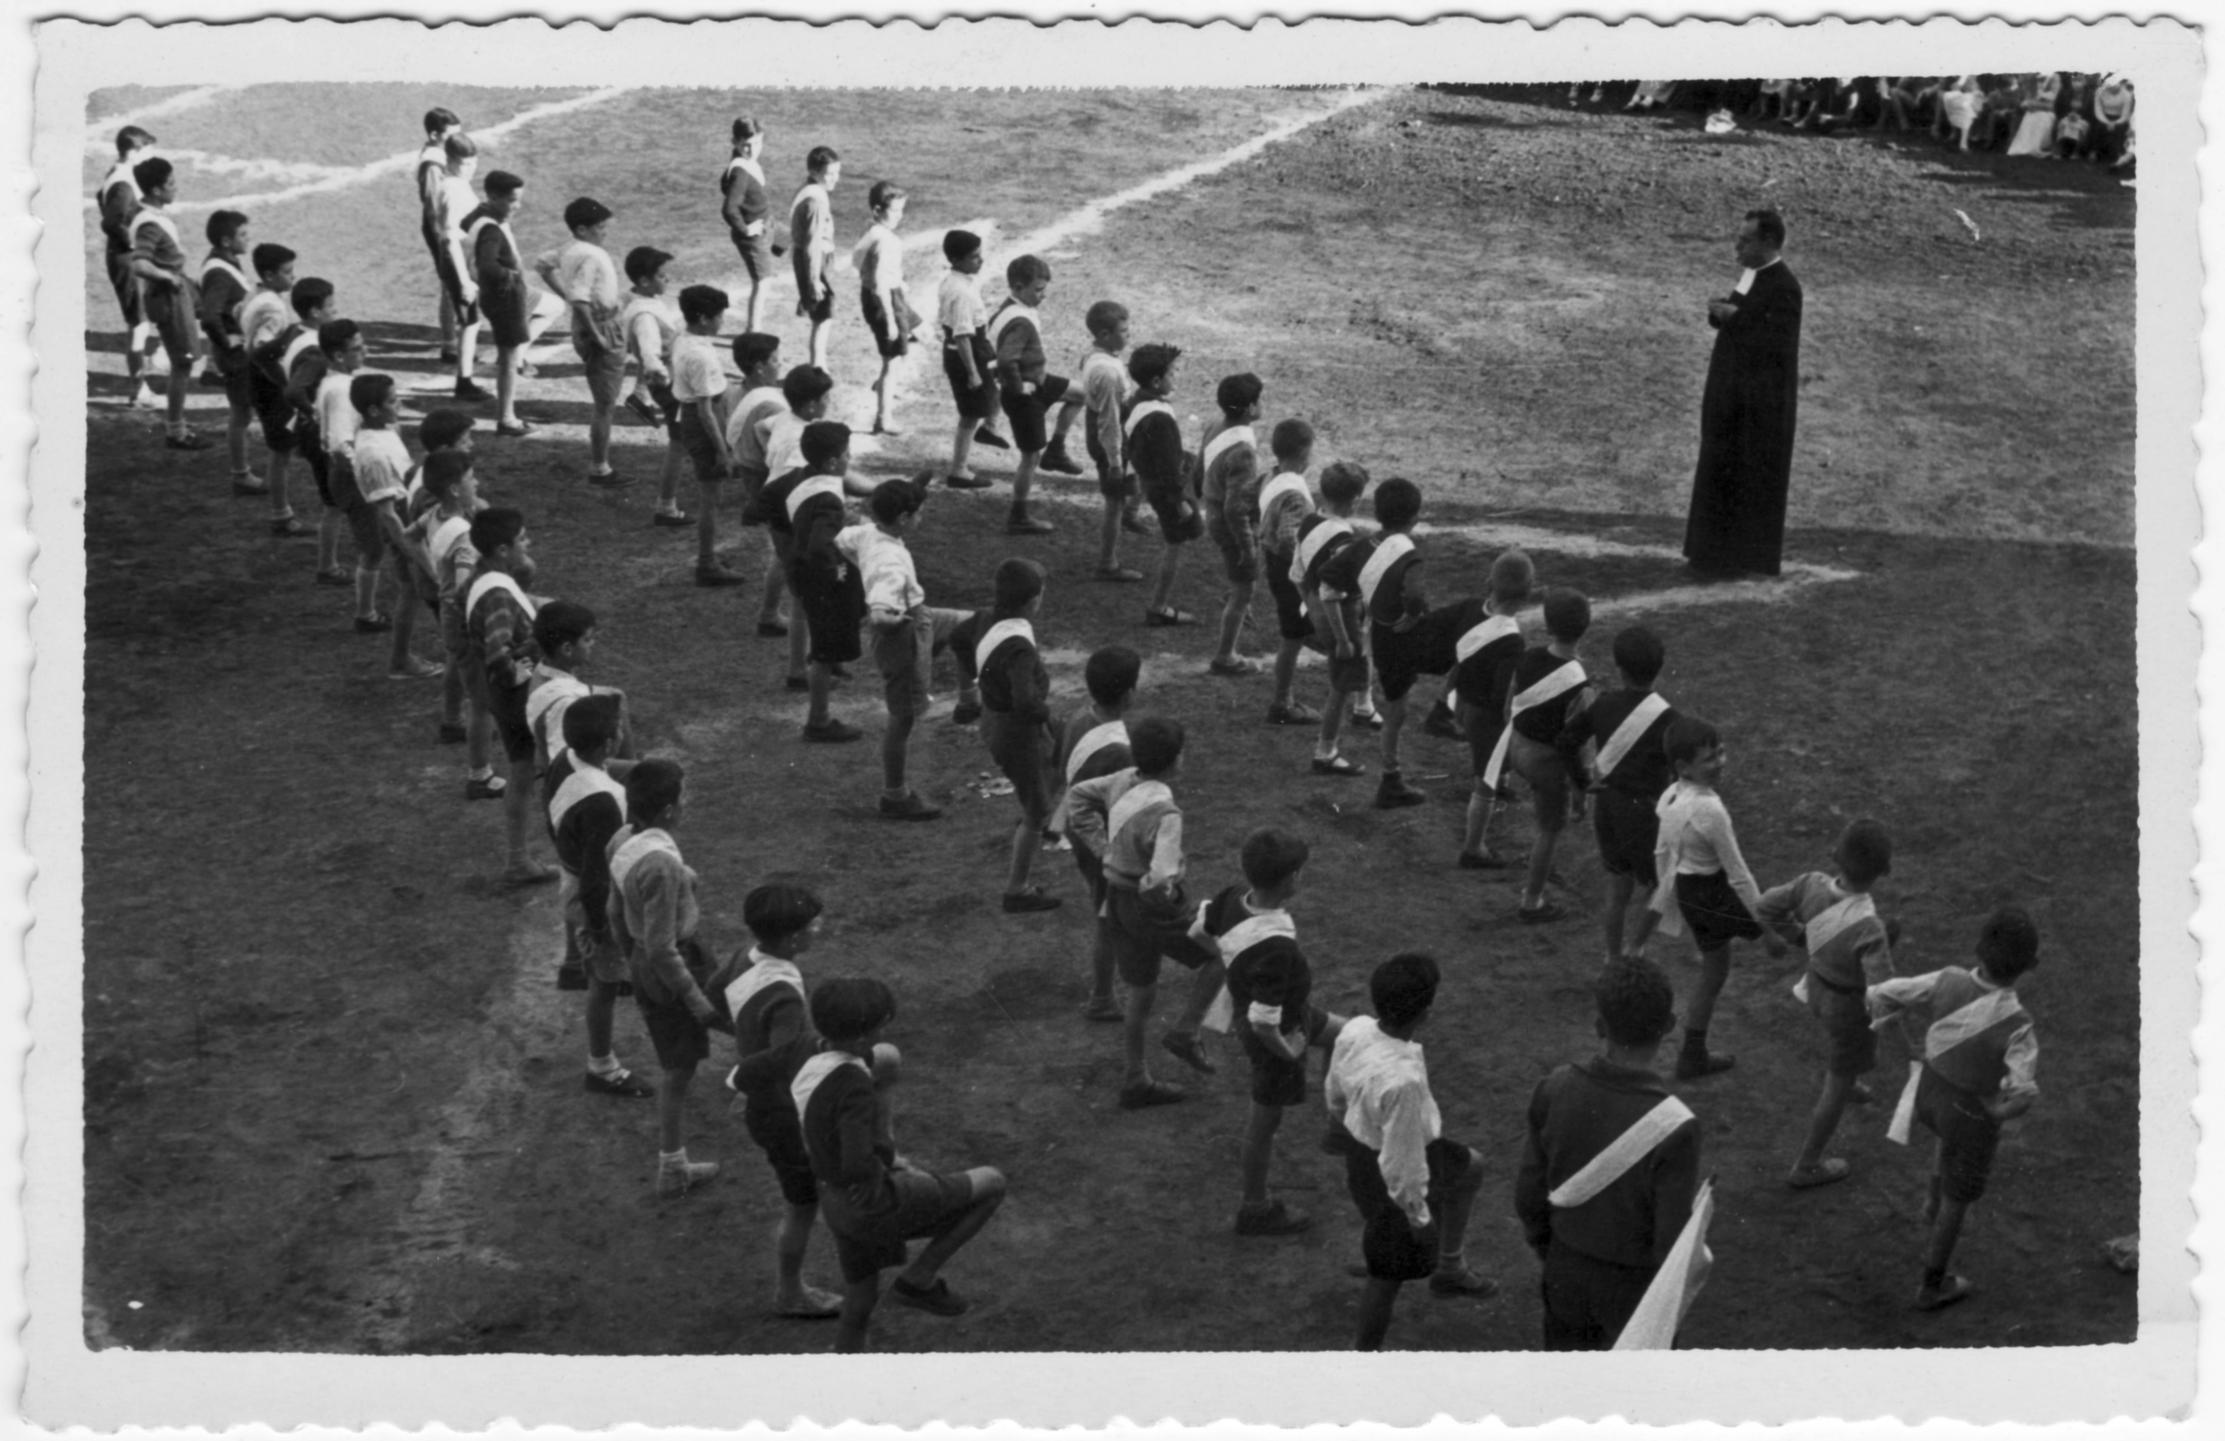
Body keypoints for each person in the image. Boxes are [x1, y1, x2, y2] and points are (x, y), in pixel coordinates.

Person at [794, 977, 1007, 1352]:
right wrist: (881, 1169)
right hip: (876, 1200)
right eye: (879, 1027)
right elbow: (858, 1156)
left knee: (861, 1291)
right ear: (862, 1036)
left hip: (835, 1202)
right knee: (992, 1182)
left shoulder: (813, 1065)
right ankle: (919, 1280)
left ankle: (845, 1359)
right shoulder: (854, 1084)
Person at [722, 884, 901, 1321]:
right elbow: (791, 1064)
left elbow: (714, 993)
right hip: (782, 1114)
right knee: (801, 1208)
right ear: (792, 939)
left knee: (887, 1060)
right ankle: (789, 1293)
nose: (818, 927)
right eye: (811, 924)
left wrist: (743, 1070)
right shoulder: (784, 995)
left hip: (758, 1091)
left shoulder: (743, 958)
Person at [1514, 955, 1704, 1350]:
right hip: (1630, 1287)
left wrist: (1552, 1249)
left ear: (1600, 1026)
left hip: (1565, 1264)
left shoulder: (1554, 1087)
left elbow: (1528, 1193)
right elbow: (1669, 1242)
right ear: (1668, 1025)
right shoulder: (1677, 1128)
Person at [1867, 907, 2041, 1312]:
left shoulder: (1946, 979)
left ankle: (1930, 1201)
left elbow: (1884, 994)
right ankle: (1933, 1283)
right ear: (2030, 965)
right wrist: (1997, 1113)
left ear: (1978, 949)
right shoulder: (2020, 1024)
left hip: (1927, 1095)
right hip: (1972, 1117)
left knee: (1947, 1139)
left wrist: (1901, 1038)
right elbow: (2024, 1092)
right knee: (1957, 1202)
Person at [1325, 951, 1497, 1349]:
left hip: (1364, 1150)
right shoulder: (1402, 1084)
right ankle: (1364, 1358)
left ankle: (1450, 1267)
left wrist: (1338, 1121)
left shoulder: (1356, 1029)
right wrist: (1420, 1220)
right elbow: (1401, 1165)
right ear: (1425, 1012)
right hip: (1394, 1168)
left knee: (1471, 1167)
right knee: (1388, 1276)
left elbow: (1334, 1084)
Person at [1064, 717, 1225, 1106]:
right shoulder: (1167, 815)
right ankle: (1187, 1031)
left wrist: (1104, 848)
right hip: (1146, 906)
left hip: (1115, 900)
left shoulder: (1119, 780)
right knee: (1223, 952)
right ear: (1176, 761)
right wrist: (1175, 910)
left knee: (1141, 990)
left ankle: (1136, 1077)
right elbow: (1160, 878)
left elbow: (1077, 797)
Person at [1195, 827, 1346, 1236]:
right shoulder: (1278, 945)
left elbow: (1198, 933)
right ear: (1289, 879)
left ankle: (1339, 1128)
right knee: (1263, 1124)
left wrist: (1234, 965)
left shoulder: (1230, 897)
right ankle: (1255, 1208)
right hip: (1275, 1031)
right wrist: (1289, 1050)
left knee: (1346, 1035)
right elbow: (1264, 1020)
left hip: (1289, 1012)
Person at [607, 758, 736, 1197]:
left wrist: (633, 959)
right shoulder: (660, 864)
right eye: (684, 795)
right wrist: (694, 999)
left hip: (652, 965)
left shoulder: (623, 841)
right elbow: (663, 945)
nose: (688, 801)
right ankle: (672, 1167)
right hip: (677, 964)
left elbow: (613, 912)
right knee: (681, 1067)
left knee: (730, 1015)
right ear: (667, 810)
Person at [1632, 715, 1785, 1079]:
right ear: (1684, 766)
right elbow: (1740, 874)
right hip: (1712, 894)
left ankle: (1693, 1053)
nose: (1719, 763)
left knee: (1714, 971)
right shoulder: (1711, 810)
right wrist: (1770, 931)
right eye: (1709, 759)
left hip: (1690, 892)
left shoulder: (1671, 795)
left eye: (1721, 753)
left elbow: (1662, 854)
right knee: (1792, 923)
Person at [1757, 819, 1899, 1190]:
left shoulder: (1809, 883)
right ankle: (1807, 1164)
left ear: (1835, 854)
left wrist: (1799, 937)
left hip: (1816, 987)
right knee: (1836, 1081)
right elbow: (1881, 991)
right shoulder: (1870, 928)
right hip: (1847, 1008)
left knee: (1844, 1058)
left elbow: (1764, 906)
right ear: (1884, 871)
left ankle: (1848, 1081)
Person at [543, 694, 655, 1102]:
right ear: (607, 743)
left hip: (569, 871)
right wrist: (600, 927)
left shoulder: (563, 762)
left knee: (600, 973)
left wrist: (645, 771)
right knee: (605, 983)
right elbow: (595, 882)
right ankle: (602, 1066)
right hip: (590, 894)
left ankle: (576, 962)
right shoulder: (606, 804)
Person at [1684, 208, 1802, 579]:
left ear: (1768, 243)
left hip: (1757, 407)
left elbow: (1774, 344)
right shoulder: (1754, 274)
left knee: (1744, 475)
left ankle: (1737, 557)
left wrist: (1734, 317)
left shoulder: (1785, 286)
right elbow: (1748, 315)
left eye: (1746, 240)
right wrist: (1724, 312)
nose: (1738, 246)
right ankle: (1712, 552)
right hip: (1733, 397)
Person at [843, 476, 969, 820]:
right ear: (902, 518)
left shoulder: (869, 531)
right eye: (918, 512)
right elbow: (882, 613)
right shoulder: (889, 561)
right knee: (903, 718)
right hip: (905, 634)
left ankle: (968, 699)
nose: (921, 518)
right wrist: (891, 622)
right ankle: (895, 795)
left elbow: (842, 540)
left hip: (919, 618)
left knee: (971, 625)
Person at [950, 560, 1062, 911]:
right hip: (1016, 731)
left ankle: (1032, 820)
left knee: (1058, 758)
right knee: (1038, 807)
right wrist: (1047, 715)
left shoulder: (985, 618)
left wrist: (972, 684)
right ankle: (1018, 889)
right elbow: (1025, 699)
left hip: (996, 719)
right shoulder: (1019, 646)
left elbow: (956, 638)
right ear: (1032, 601)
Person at [1567, 624, 1679, 963]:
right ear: (1658, 668)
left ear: (1619, 666)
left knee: (1617, 889)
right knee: (1665, 883)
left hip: (1609, 807)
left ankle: (1612, 957)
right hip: (1644, 813)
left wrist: (1583, 782)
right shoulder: (1670, 719)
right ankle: (1637, 947)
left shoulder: (1603, 705)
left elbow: (1566, 742)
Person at [1317, 476, 1431, 808]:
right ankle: (1391, 777)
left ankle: (1390, 768)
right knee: (1397, 711)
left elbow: (1329, 577)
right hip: (1399, 638)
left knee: (1394, 706)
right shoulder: (1411, 556)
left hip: (1378, 636)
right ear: (1414, 518)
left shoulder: (1361, 546)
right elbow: (1415, 596)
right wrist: (1410, 617)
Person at [1484, 588, 1593, 925]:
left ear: (1547, 626)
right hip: (1546, 764)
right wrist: (1580, 790)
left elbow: (1508, 706)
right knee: (1549, 830)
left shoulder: (1528, 656)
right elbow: (1571, 745)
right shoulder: (1580, 683)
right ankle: (1532, 901)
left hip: (1515, 748)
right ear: (1584, 628)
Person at [462, 506, 557, 884]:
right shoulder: (498, 592)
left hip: (503, 697)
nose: (528, 542)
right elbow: (499, 652)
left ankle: (518, 859)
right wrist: (538, 648)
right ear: (503, 549)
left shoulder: (480, 578)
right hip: (520, 695)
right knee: (555, 769)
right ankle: (566, 848)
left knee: (521, 773)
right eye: (522, 539)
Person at [770, 421, 879, 741]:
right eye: (847, 454)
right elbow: (820, 546)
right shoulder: (830, 496)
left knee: (828, 640)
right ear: (833, 462)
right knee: (823, 650)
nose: (850, 459)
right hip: (820, 579)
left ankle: (829, 669)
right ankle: (818, 721)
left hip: (802, 570)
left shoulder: (804, 477)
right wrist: (837, 573)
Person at [1053, 645, 1142, 1022]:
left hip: (1079, 827)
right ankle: (1102, 997)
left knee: (1105, 908)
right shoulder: (1122, 751)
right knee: (1109, 918)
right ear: (1128, 695)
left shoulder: (1078, 719)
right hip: (1102, 839)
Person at [343, 373, 441, 678]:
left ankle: (403, 657)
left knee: (416, 591)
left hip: (411, 517)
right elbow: (388, 514)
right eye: (392, 400)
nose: (398, 404)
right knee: (415, 589)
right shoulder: (372, 453)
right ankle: (401, 659)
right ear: (374, 409)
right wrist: (415, 550)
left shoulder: (384, 429)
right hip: (404, 527)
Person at [534, 196, 631, 487]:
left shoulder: (568, 248)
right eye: (600, 227)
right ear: (582, 228)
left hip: (588, 325)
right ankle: (600, 467)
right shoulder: (590, 255)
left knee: (605, 399)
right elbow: (579, 297)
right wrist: (598, 334)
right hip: (601, 326)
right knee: (605, 404)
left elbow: (542, 265)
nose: (605, 231)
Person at [988, 253, 1087, 534]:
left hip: (1038, 382)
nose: (1043, 296)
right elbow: (1007, 360)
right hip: (1024, 394)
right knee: (1030, 457)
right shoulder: (1022, 321)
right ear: (1019, 287)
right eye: (1038, 290)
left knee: (1082, 394)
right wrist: (1018, 387)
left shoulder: (1007, 309)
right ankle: (1018, 516)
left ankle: (1056, 450)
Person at [465, 170, 565, 438]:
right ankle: (507, 419)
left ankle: (518, 359)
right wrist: (509, 274)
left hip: (504, 294)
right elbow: (487, 266)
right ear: (493, 197)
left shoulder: (480, 216)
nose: (517, 206)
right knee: (508, 361)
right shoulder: (491, 230)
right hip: (506, 297)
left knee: (553, 306)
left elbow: (465, 227)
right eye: (511, 200)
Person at [1296, 460, 1380, 778]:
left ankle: (1363, 707)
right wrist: (1343, 637)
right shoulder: (1345, 539)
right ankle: (1325, 752)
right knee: (1340, 682)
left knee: (1357, 652)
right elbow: (1333, 592)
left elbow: (1298, 572)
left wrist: (1308, 603)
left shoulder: (1308, 522)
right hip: (1338, 618)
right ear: (1355, 499)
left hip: (1313, 607)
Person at [1450, 550, 1532, 870]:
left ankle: (1501, 784)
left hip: (1467, 704)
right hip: (1486, 716)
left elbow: (1459, 661)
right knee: (1485, 780)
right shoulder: (1512, 641)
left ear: (1489, 584)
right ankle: (1474, 848)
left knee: (1490, 771)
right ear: (1526, 594)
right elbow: (1502, 695)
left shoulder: (1474, 613)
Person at [126, 156, 208, 450]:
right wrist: (167, 277)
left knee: (209, 321)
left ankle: (178, 423)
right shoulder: (149, 222)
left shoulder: (147, 212)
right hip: (169, 294)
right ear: (157, 190)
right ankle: (176, 430)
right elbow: (139, 264)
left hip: (175, 288)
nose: (176, 187)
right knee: (182, 363)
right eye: (171, 183)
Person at [669, 284, 744, 588]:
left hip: (696, 414)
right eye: (718, 316)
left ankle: (708, 557)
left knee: (712, 496)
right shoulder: (699, 355)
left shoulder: (685, 339)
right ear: (702, 318)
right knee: (711, 498)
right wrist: (723, 449)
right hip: (704, 422)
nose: (721, 321)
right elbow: (705, 411)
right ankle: (706, 563)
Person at [724, 335, 799, 630]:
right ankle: (770, 614)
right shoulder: (772, 406)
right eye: (775, 360)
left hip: (751, 473)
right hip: (768, 480)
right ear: (759, 367)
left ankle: (770, 613)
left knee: (783, 548)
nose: (779, 365)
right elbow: (777, 452)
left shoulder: (735, 392)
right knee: (787, 550)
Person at [236, 240, 310, 535]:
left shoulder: (254, 294)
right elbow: (261, 351)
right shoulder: (274, 308)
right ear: (269, 276)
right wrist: (284, 380)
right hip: (268, 385)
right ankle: (281, 515)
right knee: (280, 454)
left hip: (255, 381)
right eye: (287, 272)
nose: (292, 277)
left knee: (283, 447)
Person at [1125, 342, 1201, 628]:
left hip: (1152, 483)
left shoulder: (1137, 403)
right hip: (1167, 491)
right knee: (1176, 542)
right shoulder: (1159, 418)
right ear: (1156, 381)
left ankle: (1160, 604)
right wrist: (1180, 501)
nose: (1175, 378)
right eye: (1172, 374)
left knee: (1176, 541)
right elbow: (1169, 468)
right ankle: (1158, 606)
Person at [1198, 373, 1266, 677]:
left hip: (1212, 510)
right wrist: (1248, 548)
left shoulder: (1215, 425)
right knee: (1245, 587)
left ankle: (1234, 596)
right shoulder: (1243, 451)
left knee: (1239, 581)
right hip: (1228, 522)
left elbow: (1200, 467)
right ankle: (1225, 656)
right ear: (1250, 408)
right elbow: (1236, 509)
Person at [617, 246, 689, 526]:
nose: (667, 280)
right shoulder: (645, 315)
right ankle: (666, 507)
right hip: (673, 384)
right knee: (679, 443)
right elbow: (649, 353)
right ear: (645, 281)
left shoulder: (638, 300)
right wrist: (661, 375)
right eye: (662, 275)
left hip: (671, 382)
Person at [935, 229, 1010, 488]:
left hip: (975, 348)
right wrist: (972, 372)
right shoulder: (961, 292)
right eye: (974, 257)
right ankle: (959, 470)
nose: (981, 260)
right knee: (969, 414)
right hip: (967, 353)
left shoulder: (956, 281)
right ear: (957, 260)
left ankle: (989, 427)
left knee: (1002, 377)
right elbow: (962, 336)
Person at [1257, 420, 1319, 723]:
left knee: (1294, 634)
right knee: (1293, 637)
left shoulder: (1272, 476)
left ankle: (1283, 700)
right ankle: (1282, 703)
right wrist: (1305, 563)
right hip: (1288, 573)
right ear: (1304, 452)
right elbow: (1287, 537)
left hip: (1274, 565)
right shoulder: (1294, 492)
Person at [1077, 301, 1144, 581]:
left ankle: (1130, 511)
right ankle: (1108, 563)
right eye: (1124, 331)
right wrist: (1115, 461)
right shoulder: (1108, 372)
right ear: (1105, 334)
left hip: (1103, 432)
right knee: (1113, 501)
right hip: (1109, 440)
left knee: (1125, 490)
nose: (1129, 335)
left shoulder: (1095, 357)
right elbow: (1110, 421)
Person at [97, 124, 162, 407]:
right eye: (147, 150)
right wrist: (135, 244)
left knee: (147, 315)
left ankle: (154, 363)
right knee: (138, 323)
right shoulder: (124, 183)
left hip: (126, 256)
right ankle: (139, 389)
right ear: (133, 151)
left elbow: (100, 199)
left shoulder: (118, 173)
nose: (151, 156)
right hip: (127, 259)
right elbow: (111, 222)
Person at [196, 209, 260, 490]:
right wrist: (226, 341)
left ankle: (241, 472)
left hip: (236, 351)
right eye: (242, 235)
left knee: (243, 410)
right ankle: (240, 474)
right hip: (235, 354)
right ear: (225, 240)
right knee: (241, 413)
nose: (248, 240)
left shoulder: (225, 260)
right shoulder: (220, 272)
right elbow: (209, 316)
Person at [306, 319, 370, 593]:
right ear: (339, 355)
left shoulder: (332, 382)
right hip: (344, 468)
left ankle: (326, 566)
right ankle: (364, 606)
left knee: (333, 510)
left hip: (331, 462)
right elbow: (340, 443)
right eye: (357, 348)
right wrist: (362, 471)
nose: (365, 351)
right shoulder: (343, 390)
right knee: (369, 538)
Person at [854, 181, 920, 436]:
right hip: (885, 300)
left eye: (902, 210)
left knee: (920, 333)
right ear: (878, 210)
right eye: (894, 211)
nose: (899, 216)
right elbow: (880, 282)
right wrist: (890, 319)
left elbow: (860, 262)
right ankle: (883, 418)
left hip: (885, 295)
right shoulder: (885, 240)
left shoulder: (871, 231)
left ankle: (882, 385)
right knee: (891, 360)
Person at [432, 133, 489, 401]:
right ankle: (464, 381)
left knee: (471, 321)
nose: (469, 169)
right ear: (451, 162)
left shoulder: (455, 184)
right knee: (470, 322)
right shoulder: (453, 189)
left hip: (463, 257)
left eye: (472, 163)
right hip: (459, 260)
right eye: (463, 164)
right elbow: (451, 238)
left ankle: (463, 376)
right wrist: (465, 280)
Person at [719, 115, 778, 333]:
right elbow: (729, 208)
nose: (752, 150)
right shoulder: (740, 172)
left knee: (787, 245)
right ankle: (753, 331)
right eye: (746, 145)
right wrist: (745, 228)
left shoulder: (742, 164)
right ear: (734, 142)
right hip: (755, 235)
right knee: (762, 282)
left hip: (765, 225)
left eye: (757, 144)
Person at [415, 107, 465, 361]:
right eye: (450, 136)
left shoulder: (440, 153)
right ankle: (450, 345)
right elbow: (435, 207)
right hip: (441, 228)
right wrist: (445, 238)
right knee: (451, 283)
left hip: (449, 223)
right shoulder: (432, 163)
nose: (456, 141)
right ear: (435, 135)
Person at [790, 145, 842, 370]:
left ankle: (817, 364)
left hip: (808, 258)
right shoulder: (816, 202)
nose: (835, 179)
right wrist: (814, 279)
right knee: (823, 317)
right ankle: (818, 366)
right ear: (814, 172)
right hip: (816, 261)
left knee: (821, 315)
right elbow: (812, 243)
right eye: (829, 174)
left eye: (836, 173)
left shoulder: (807, 189)